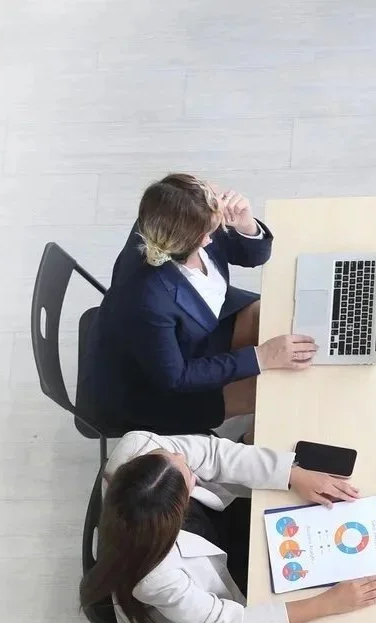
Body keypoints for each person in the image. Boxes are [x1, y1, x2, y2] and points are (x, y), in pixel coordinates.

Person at [81, 430, 376, 623]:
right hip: (203, 611)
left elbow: (214, 454)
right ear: (179, 507)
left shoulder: (139, 449)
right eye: (188, 474)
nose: (184, 459)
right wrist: (328, 603)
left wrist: (293, 475)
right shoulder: (156, 578)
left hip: (215, 532)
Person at [90, 174, 316, 437]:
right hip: (158, 389)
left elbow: (253, 257)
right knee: (274, 389)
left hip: (203, 328)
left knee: (276, 321)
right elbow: (176, 378)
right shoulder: (147, 301)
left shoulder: (172, 217)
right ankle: (249, 442)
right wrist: (261, 356)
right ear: (202, 240)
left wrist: (246, 226)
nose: (218, 193)